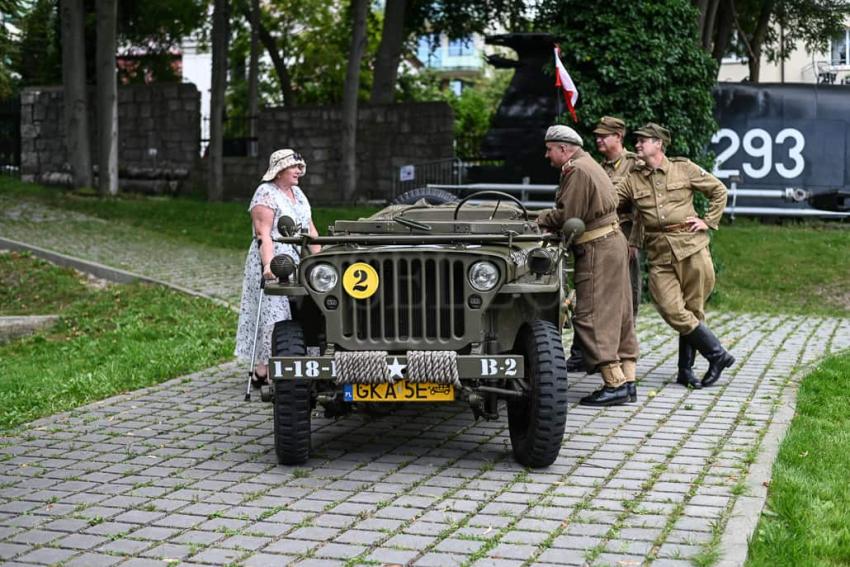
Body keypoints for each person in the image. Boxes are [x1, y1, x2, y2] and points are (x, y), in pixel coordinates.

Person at [616, 123, 734, 389]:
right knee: (670, 308)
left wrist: (709, 221)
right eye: (636, 141)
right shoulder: (633, 179)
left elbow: (719, 191)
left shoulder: (684, 168)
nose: (637, 144)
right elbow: (611, 200)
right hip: (659, 253)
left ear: (658, 143)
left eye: (643, 140)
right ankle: (717, 354)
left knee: (693, 311)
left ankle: (686, 371)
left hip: (692, 248)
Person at [537, 125, 639, 407]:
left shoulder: (577, 170)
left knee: (591, 316)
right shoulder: (588, 164)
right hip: (612, 242)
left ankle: (614, 383)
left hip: (597, 249)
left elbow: (569, 215)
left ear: (563, 148)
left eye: (549, 149)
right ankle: (628, 380)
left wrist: (538, 218)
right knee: (620, 313)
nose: (547, 155)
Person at [566, 116, 645, 374]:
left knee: (625, 298)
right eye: (597, 135)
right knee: (589, 297)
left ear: (618, 137)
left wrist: (634, 242)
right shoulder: (598, 166)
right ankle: (583, 354)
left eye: (604, 135)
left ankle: (621, 357)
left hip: (623, 236)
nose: (598, 139)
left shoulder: (635, 165)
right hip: (597, 237)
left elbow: (643, 207)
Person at [234, 149, 320, 387]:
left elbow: (311, 229)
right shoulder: (265, 193)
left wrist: (321, 258)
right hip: (274, 258)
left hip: (297, 257)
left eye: (299, 167)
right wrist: (269, 265)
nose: (299, 172)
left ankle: (268, 367)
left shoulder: (298, 194)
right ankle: (268, 368)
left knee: (300, 309)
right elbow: (263, 234)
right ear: (280, 170)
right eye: (294, 167)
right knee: (275, 311)